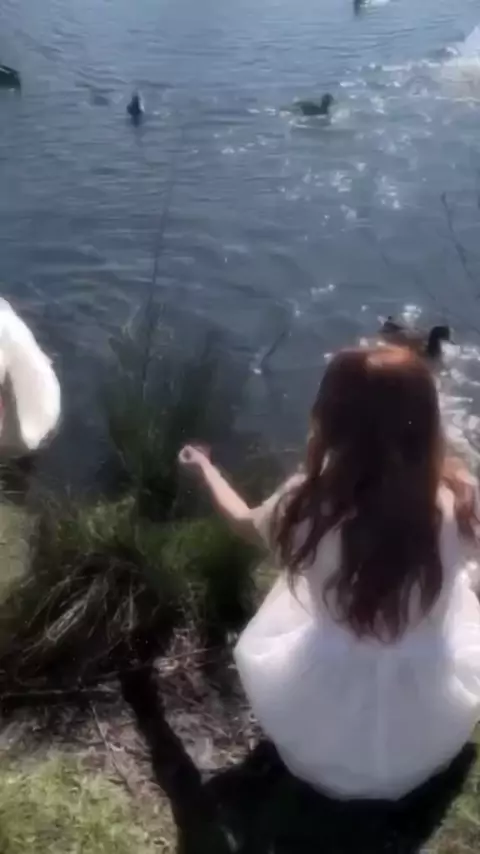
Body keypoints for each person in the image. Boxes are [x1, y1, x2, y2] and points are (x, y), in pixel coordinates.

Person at [178, 346, 480, 800]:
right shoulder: (462, 500)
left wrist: (207, 469)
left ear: (329, 419)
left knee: (295, 592)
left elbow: (242, 522)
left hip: (321, 714)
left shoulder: (306, 504)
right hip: (426, 722)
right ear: (428, 421)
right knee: (459, 588)